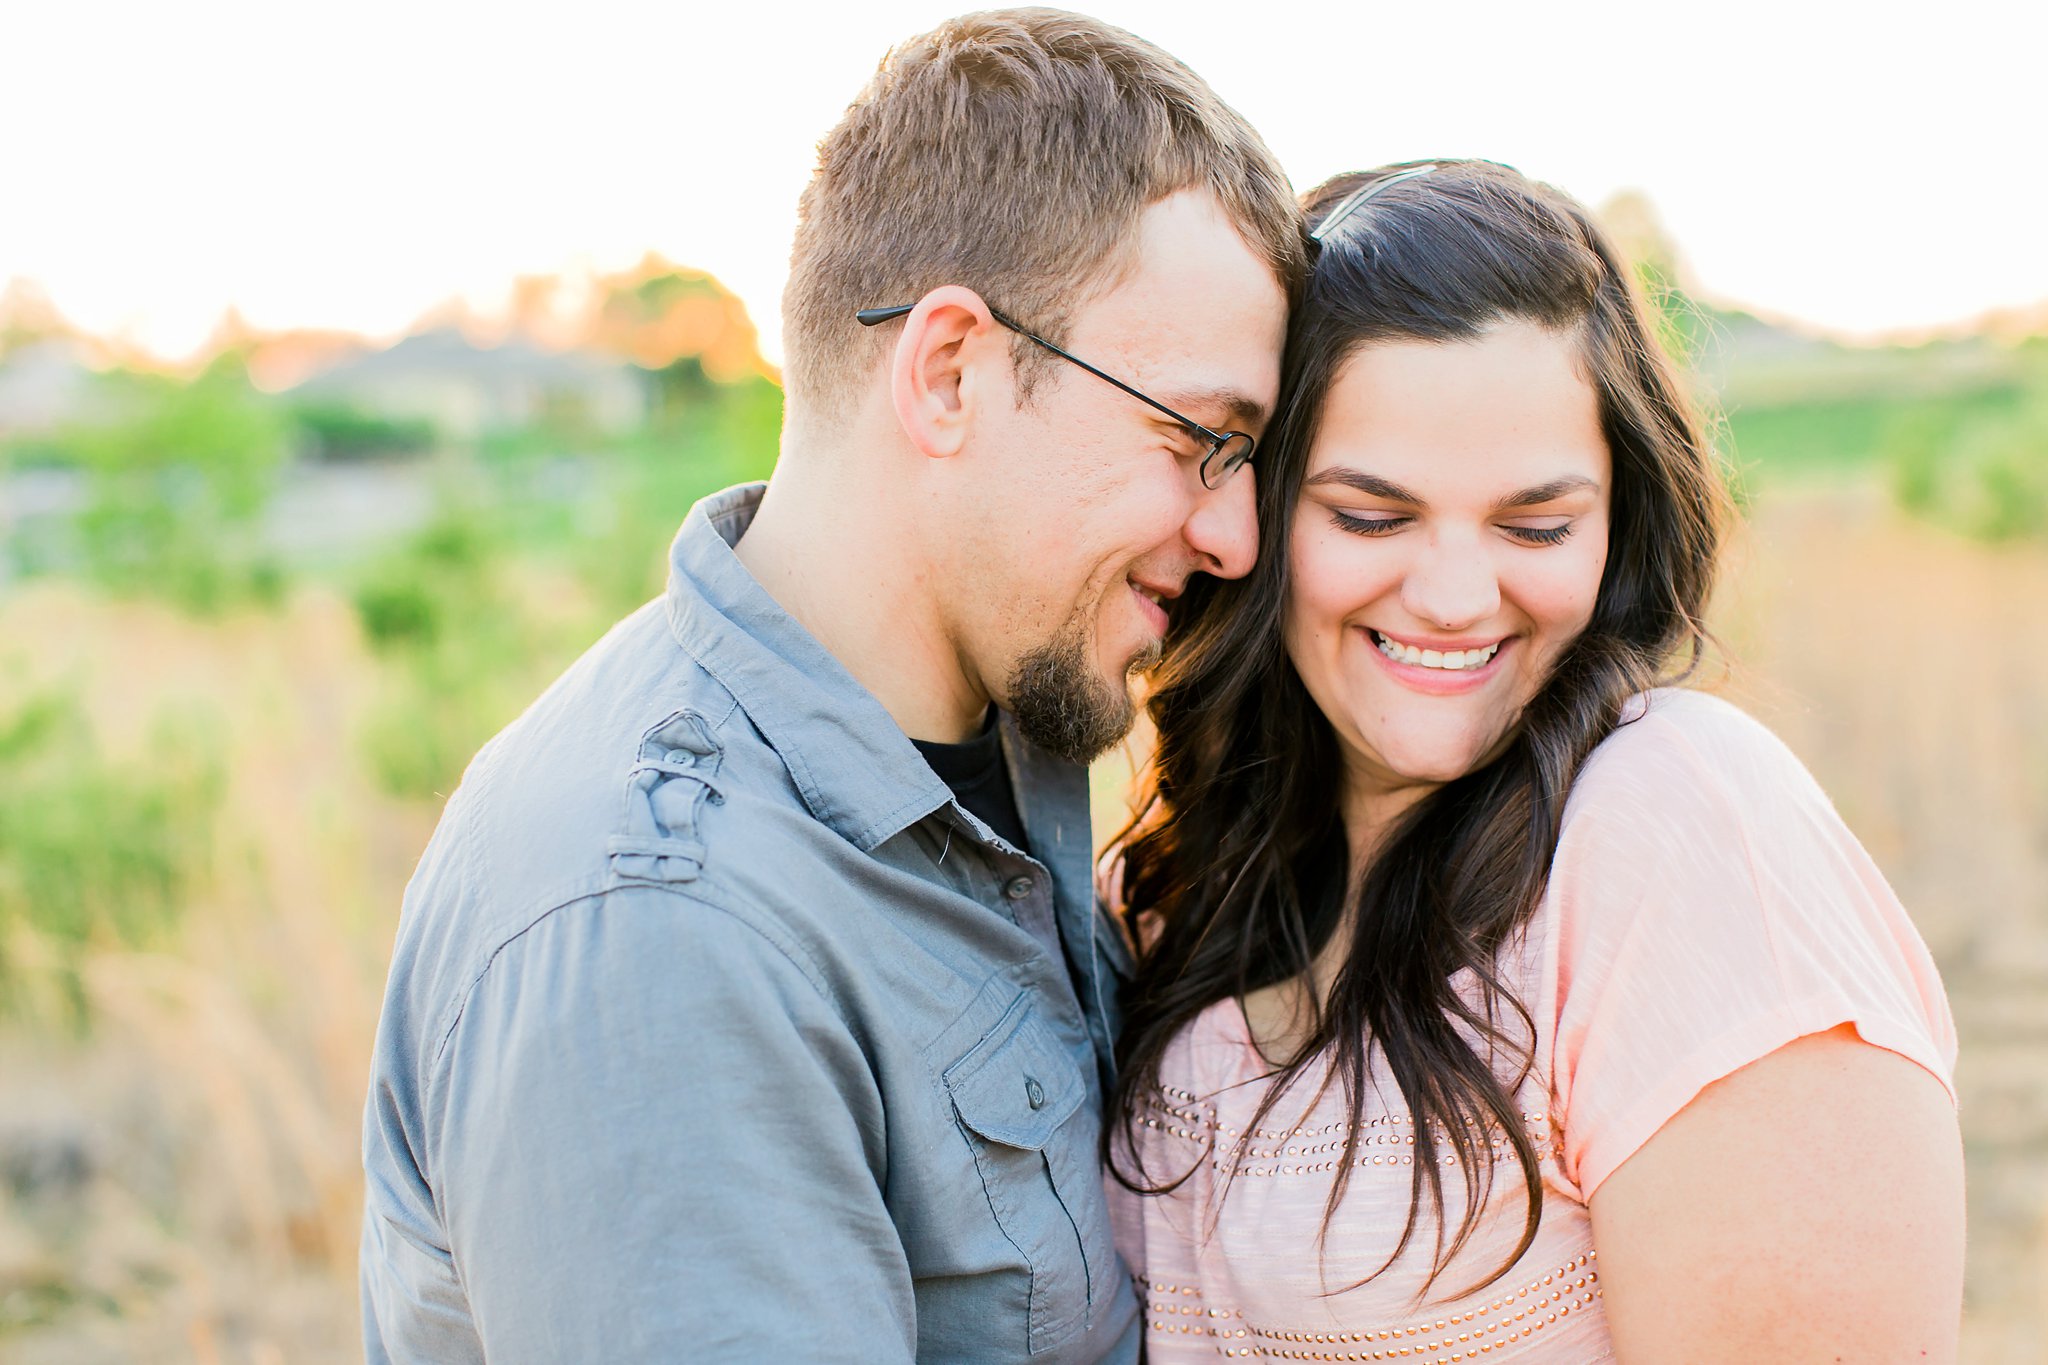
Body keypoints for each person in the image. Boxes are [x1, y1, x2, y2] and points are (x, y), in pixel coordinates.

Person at [356, 10, 1307, 1363]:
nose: (1235, 537)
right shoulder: (666, 936)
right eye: (1199, 439)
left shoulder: (996, 740)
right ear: (951, 371)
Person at [1105, 160, 1964, 1362]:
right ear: (1252, 508)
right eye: (1369, 516)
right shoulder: (1179, 890)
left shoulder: (1679, 828)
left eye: (1534, 526)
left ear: (1617, 527)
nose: (1456, 598)